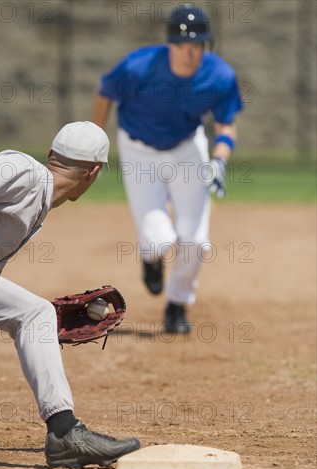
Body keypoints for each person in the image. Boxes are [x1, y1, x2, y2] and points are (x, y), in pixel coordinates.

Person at [0, 121, 140, 469]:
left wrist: (44, 330)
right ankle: (65, 433)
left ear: (53, 155)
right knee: (34, 313)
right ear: (93, 173)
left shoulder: (33, 205)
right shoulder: (29, 173)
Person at [93, 4, 243, 333]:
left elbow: (226, 126)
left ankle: (177, 304)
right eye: (182, 45)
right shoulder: (138, 67)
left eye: (197, 45)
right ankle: (151, 257)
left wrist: (219, 161)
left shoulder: (219, 75)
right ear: (170, 44)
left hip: (187, 148)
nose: (190, 53)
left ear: (206, 45)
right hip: (138, 150)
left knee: (196, 240)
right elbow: (105, 95)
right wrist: (96, 140)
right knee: (159, 239)